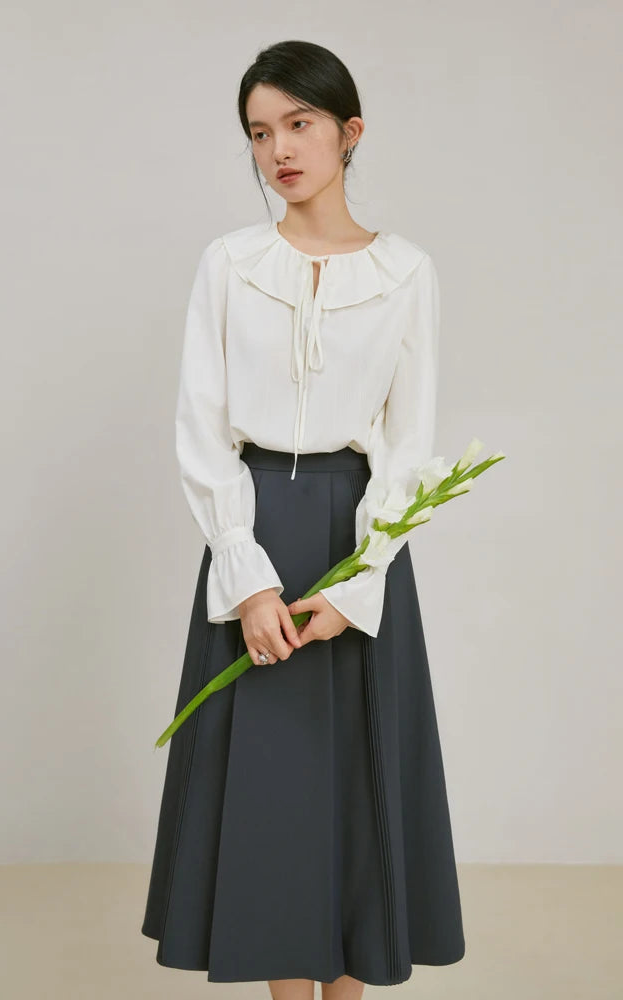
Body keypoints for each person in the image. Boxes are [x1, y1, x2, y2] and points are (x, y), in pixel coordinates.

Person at [141, 39, 466, 1000]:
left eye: (299, 123)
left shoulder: (407, 273)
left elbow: (408, 446)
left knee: (356, 785)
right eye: (258, 132)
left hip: (358, 538)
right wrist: (246, 578)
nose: (278, 149)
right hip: (254, 530)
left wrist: (360, 582)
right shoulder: (229, 264)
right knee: (272, 795)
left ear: (348, 131)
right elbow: (202, 429)